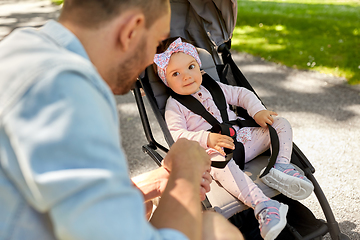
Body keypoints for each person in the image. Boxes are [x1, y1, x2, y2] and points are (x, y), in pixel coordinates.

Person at [0, 0, 244, 239]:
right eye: (156, 44)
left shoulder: (22, 49)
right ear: (131, 30)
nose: (152, 61)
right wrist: (186, 174)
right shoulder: (63, 91)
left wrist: (152, 184)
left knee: (145, 206)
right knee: (216, 229)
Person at [153, 37, 315, 240]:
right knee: (217, 163)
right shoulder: (174, 106)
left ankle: (280, 168)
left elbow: (242, 95)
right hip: (216, 153)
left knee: (279, 123)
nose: (186, 76)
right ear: (166, 80)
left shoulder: (215, 87)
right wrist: (207, 139)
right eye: (175, 74)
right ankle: (264, 205)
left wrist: (258, 112)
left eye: (190, 67)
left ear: (199, 66)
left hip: (245, 138)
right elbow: (178, 136)